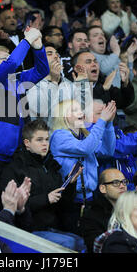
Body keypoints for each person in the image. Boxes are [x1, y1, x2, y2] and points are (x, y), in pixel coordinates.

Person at [0, 26, 49, 209]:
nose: (10, 60)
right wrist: (26, 41)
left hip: (13, 158)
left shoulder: (16, 82)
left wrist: (38, 47)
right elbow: (12, 64)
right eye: (5, 57)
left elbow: (42, 71)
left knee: (11, 207)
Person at [0, 119, 85, 252]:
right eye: (39, 140)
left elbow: (63, 204)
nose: (45, 144)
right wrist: (46, 199)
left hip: (53, 227)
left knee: (81, 242)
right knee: (70, 243)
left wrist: (70, 184)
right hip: (27, 230)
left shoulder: (51, 166)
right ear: (27, 143)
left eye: (46, 139)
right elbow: (12, 206)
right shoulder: (14, 169)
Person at [50, 99, 117, 234]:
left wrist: (109, 124)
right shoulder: (59, 136)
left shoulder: (84, 136)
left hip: (90, 199)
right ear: (64, 116)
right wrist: (102, 121)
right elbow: (85, 149)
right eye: (74, 110)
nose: (80, 112)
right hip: (70, 202)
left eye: (80, 109)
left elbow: (108, 150)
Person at [80, 168, 127, 252]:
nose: (122, 186)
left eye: (124, 182)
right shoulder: (92, 216)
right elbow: (97, 248)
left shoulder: (132, 209)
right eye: (116, 183)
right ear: (103, 188)